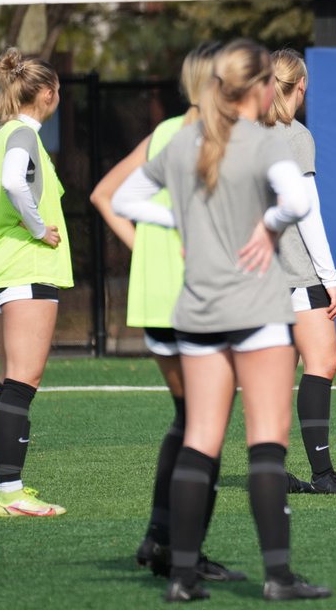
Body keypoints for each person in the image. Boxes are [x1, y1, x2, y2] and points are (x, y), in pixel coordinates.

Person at [112, 39, 330, 602]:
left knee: (200, 439)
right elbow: (299, 203)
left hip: (197, 312)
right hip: (256, 308)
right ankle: (278, 576)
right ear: (259, 89)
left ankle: (182, 577)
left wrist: (178, 220)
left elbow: (125, 199)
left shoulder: (184, 142)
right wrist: (268, 225)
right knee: (265, 444)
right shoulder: (261, 141)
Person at [89, 42, 245, 583]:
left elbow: (104, 195)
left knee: (186, 421)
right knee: (206, 428)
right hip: (197, 299)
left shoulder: (162, 133)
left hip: (156, 298)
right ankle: (186, 553)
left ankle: (159, 537)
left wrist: (149, 247)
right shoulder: (212, 139)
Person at [0, 47, 72, 517]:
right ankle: (10, 495)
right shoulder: (24, 135)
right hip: (26, 268)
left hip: (4, 266)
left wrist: (7, 227)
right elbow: (14, 183)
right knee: (21, 381)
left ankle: (10, 489)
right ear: (48, 93)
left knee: (10, 381)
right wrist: (34, 228)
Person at [264, 49, 336, 496]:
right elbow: (308, 214)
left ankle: (273, 470)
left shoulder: (243, 132)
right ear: (300, 87)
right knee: (322, 363)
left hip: (255, 275)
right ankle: (323, 474)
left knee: (279, 375)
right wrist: (331, 276)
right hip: (297, 275)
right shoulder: (294, 135)